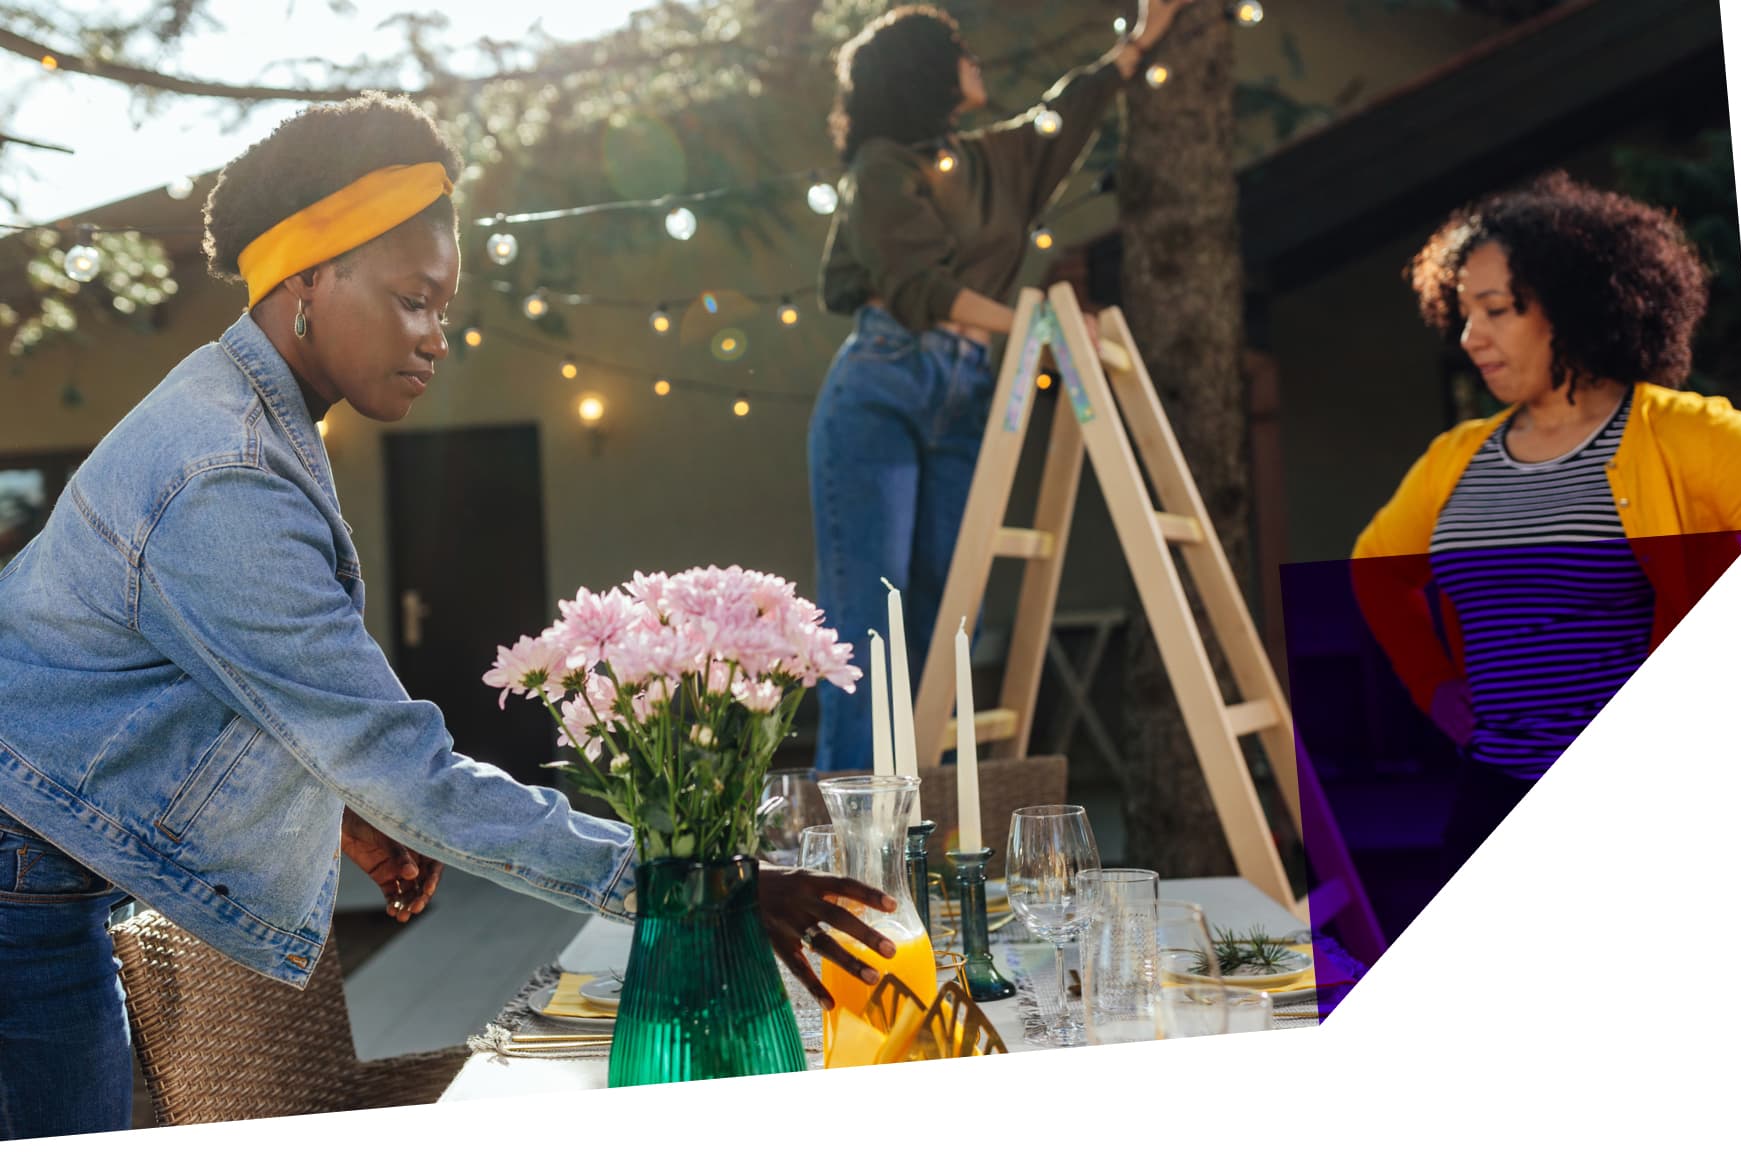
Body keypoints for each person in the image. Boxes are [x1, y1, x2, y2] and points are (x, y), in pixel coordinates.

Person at [0, 93, 894, 1140]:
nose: (436, 338)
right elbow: (408, 767)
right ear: (309, 277)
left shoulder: (243, 421)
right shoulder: (228, 476)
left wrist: (340, 804)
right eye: (413, 300)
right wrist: (691, 885)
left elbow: (173, 677)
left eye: (443, 307)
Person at [807, 0, 1195, 773]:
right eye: (956, 49)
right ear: (923, 70)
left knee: (955, 615)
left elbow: (1066, 115)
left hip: (970, 392)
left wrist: (1140, 41)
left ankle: (927, 816)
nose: (973, 59)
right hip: (883, 386)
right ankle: (854, 835)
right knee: (870, 631)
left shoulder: (989, 162)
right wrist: (1037, 324)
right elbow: (919, 288)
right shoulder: (880, 168)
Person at [1351, 171, 1741, 875]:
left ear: (1575, 306)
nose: (1471, 337)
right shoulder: (1455, 458)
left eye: (1496, 309)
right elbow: (1375, 574)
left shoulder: (1687, 436)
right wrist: (1435, 687)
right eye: (1464, 314)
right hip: (1489, 797)